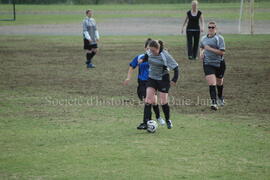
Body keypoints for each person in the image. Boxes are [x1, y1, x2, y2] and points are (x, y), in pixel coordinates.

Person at [123, 38, 165, 129]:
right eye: (148, 49)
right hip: (142, 83)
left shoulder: (156, 58)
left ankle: (148, 121)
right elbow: (131, 67)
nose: (149, 51)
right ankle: (152, 120)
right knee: (150, 101)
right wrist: (128, 78)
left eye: (151, 49)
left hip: (152, 82)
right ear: (145, 48)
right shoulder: (140, 57)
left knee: (150, 101)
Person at [139, 40, 179, 129]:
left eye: (153, 51)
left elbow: (176, 67)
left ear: (158, 48)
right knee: (148, 100)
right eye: (150, 50)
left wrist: (174, 79)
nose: (151, 52)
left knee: (163, 101)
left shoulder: (165, 55)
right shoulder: (149, 52)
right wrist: (142, 60)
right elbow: (146, 56)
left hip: (163, 79)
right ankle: (145, 122)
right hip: (152, 78)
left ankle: (168, 120)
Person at [199, 21, 226, 110]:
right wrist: (201, 53)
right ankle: (214, 103)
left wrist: (209, 49)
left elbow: (222, 52)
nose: (210, 29)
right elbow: (202, 47)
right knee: (212, 83)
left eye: (212, 27)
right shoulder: (203, 38)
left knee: (219, 82)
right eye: (209, 27)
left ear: (216, 29)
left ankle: (220, 97)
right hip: (208, 63)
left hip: (219, 64)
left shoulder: (219, 38)